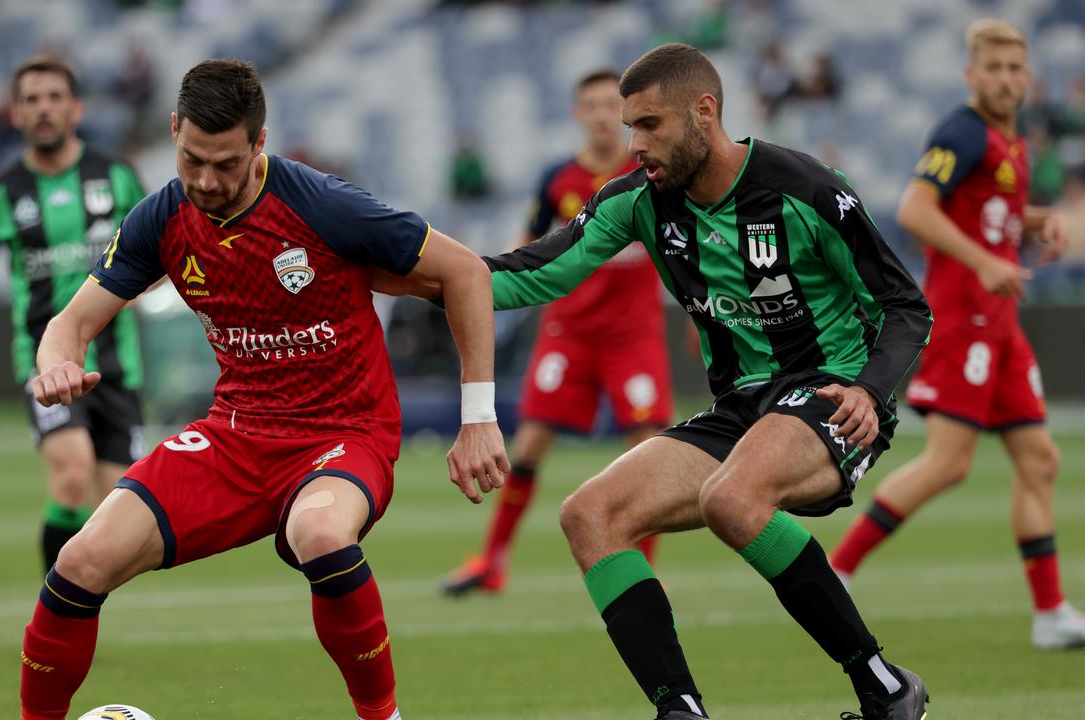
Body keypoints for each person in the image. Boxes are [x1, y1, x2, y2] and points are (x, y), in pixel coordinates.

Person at [391, 42, 933, 719]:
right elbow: (534, 271)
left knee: (732, 500)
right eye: (629, 128)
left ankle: (884, 687)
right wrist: (400, 273)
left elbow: (906, 304)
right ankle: (681, 712)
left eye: (649, 126)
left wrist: (870, 389)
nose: (634, 145)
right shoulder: (639, 201)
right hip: (740, 406)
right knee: (589, 515)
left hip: (830, 392)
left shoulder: (806, 188)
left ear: (704, 113)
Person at [17, 59, 508, 720]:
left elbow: (466, 272)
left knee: (322, 535)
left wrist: (478, 417)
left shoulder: (323, 205)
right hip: (236, 433)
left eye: (226, 163)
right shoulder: (161, 217)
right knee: (81, 559)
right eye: (192, 159)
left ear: (260, 143)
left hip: (344, 434)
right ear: (173, 131)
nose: (206, 180)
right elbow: (69, 325)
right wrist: (55, 364)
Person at [829, 19, 1085, 651]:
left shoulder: (1012, 138)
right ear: (971, 76)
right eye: (992, 69)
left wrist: (1033, 220)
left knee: (1040, 460)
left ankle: (1051, 613)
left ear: (1028, 76)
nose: (1004, 79)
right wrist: (985, 261)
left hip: (1000, 327)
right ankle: (837, 571)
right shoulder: (960, 132)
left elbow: (985, 211)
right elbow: (917, 208)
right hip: (963, 320)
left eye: (1014, 68)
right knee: (947, 465)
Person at [443, 69, 673, 597]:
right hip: (567, 333)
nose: (598, 115)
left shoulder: (651, 173)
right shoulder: (557, 179)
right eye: (588, 105)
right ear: (577, 113)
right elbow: (526, 245)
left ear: (621, 113)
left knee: (655, 451)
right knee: (527, 447)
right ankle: (492, 562)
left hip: (633, 336)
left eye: (605, 105)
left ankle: (648, 576)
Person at [0, 55, 149, 572]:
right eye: (31, 100)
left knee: (117, 511)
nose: (44, 109)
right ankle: (57, 611)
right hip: (45, 360)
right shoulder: (2, 192)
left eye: (54, 98)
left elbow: (168, 239)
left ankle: (79, 607)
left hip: (118, 362)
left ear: (76, 108)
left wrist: (149, 281)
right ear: (16, 114)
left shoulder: (116, 176)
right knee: (72, 476)